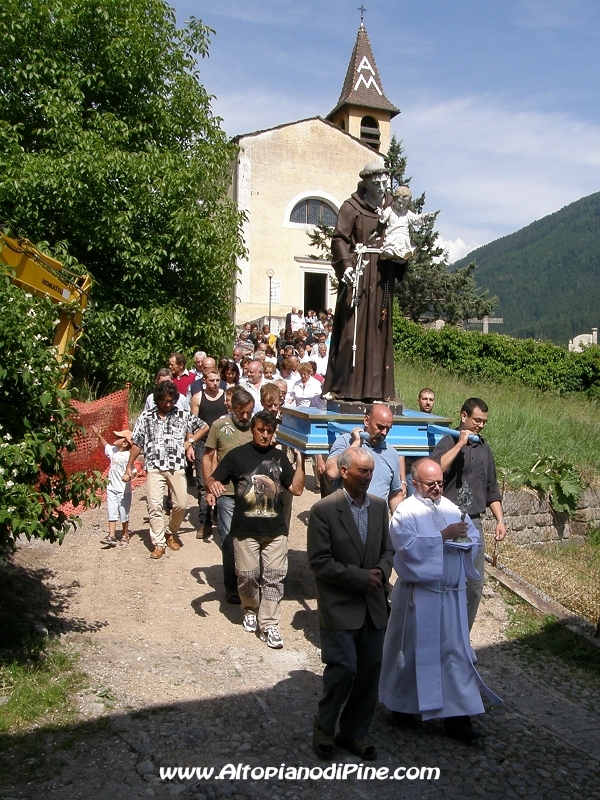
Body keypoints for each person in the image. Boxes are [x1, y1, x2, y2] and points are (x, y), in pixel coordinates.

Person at [379, 458, 502, 742]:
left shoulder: (451, 508)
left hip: (450, 598)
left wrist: (465, 542)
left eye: (440, 483)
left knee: (454, 655)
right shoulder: (404, 513)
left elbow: (471, 538)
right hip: (419, 598)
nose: (437, 488)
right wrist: (440, 537)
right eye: (430, 483)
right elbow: (405, 550)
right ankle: (403, 708)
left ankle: (458, 719)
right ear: (414, 483)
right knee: (411, 655)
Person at [307, 448, 393, 761]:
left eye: (371, 472)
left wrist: (382, 573)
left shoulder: (380, 507)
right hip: (340, 605)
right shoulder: (324, 510)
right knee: (343, 669)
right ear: (344, 471)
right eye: (362, 471)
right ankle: (325, 727)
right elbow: (319, 561)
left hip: (372, 607)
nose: (368, 477)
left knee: (369, 673)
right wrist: (360, 578)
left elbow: (388, 550)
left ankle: (355, 732)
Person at [207, 411, 305, 648]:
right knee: (247, 575)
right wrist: (212, 486)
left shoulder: (279, 458)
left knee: (274, 577)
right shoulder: (236, 456)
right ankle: (250, 608)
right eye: (261, 430)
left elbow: (297, 489)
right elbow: (214, 478)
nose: (265, 435)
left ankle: (270, 624)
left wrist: (300, 463)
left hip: (275, 531)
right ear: (253, 429)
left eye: (269, 432)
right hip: (244, 530)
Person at [323, 162, 407, 402]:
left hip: (382, 277)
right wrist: (346, 266)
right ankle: (345, 387)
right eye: (376, 183)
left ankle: (376, 390)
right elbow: (339, 239)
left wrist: (402, 255)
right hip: (358, 274)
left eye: (385, 182)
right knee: (352, 331)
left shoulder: (394, 207)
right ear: (366, 182)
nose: (381, 187)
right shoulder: (351, 207)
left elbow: (402, 232)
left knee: (379, 332)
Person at [432, 398, 507, 629]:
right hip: (446, 520)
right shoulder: (447, 440)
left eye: (484, 421)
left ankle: (462, 636)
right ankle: (439, 631)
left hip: (474, 522)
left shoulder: (485, 448)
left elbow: (491, 489)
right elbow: (436, 469)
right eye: (477, 420)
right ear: (464, 416)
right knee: (444, 580)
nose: (481, 425)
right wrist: (459, 445)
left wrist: (500, 519)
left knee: (474, 584)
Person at [124, 381, 207, 559]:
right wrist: (129, 465)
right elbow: (137, 442)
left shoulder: (182, 414)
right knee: (154, 506)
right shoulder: (146, 417)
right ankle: (159, 543)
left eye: (170, 401)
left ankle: (171, 531)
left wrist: (190, 442)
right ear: (157, 400)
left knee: (181, 504)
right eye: (164, 401)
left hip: (176, 466)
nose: (167, 404)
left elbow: (204, 426)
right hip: (154, 467)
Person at [203, 387, 255, 603]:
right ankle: (232, 587)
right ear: (233, 408)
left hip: (252, 494)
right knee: (229, 540)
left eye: (248, 413)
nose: (244, 417)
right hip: (227, 493)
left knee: (252, 540)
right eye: (241, 412)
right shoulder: (219, 426)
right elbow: (208, 457)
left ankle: (251, 582)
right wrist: (209, 483)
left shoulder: (257, 428)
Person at [325, 403, 406, 511]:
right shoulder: (345, 442)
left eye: (388, 428)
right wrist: (356, 443)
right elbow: (331, 472)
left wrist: (399, 523)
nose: (384, 432)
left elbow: (395, 494)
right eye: (380, 427)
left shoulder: (392, 454)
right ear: (366, 420)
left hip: (375, 521)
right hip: (345, 518)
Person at [190, 370, 227, 540]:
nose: (215, 383)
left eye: (218, 380)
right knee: (204, 483)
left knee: (221, 481)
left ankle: (220, 518)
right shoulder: (198, 398)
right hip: (203, 444)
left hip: (222, 444)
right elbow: (190, 424)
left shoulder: (226, 397)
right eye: (212, 380)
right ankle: (204, 523)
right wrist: (189, 445)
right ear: (204, 380)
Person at [92, 426, 136, 547]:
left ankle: (125, 533)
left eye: (118, 437)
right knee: (111, 510)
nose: (115, 438)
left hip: (124, 491)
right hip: (111, 488)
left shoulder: (128, 456)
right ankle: (111, 535)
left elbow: (134, 470)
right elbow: (106, 445)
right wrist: (99, 435)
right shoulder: (114, 452)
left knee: (123, 513)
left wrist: (129, 476)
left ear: (125, 443)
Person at [378, 186, 434, 261]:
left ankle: (402, 255)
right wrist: (381, 214)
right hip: (392, 235)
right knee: (391, 243)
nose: (401, 206)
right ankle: (389, 252)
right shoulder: (390, 210)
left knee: (403, 246)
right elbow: (383, 218)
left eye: (404, 204)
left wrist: (425, 216)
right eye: (399, 203)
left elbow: (416, 219)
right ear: (394, 199)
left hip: (404, 236)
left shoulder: (407, 213)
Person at [406, 387, 436, 497]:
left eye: (431, 399)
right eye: (424, 399)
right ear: (418, 401)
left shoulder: (438, 422)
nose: (428, 402)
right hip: (412, 472)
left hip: (432, 471)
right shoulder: (410, 421)